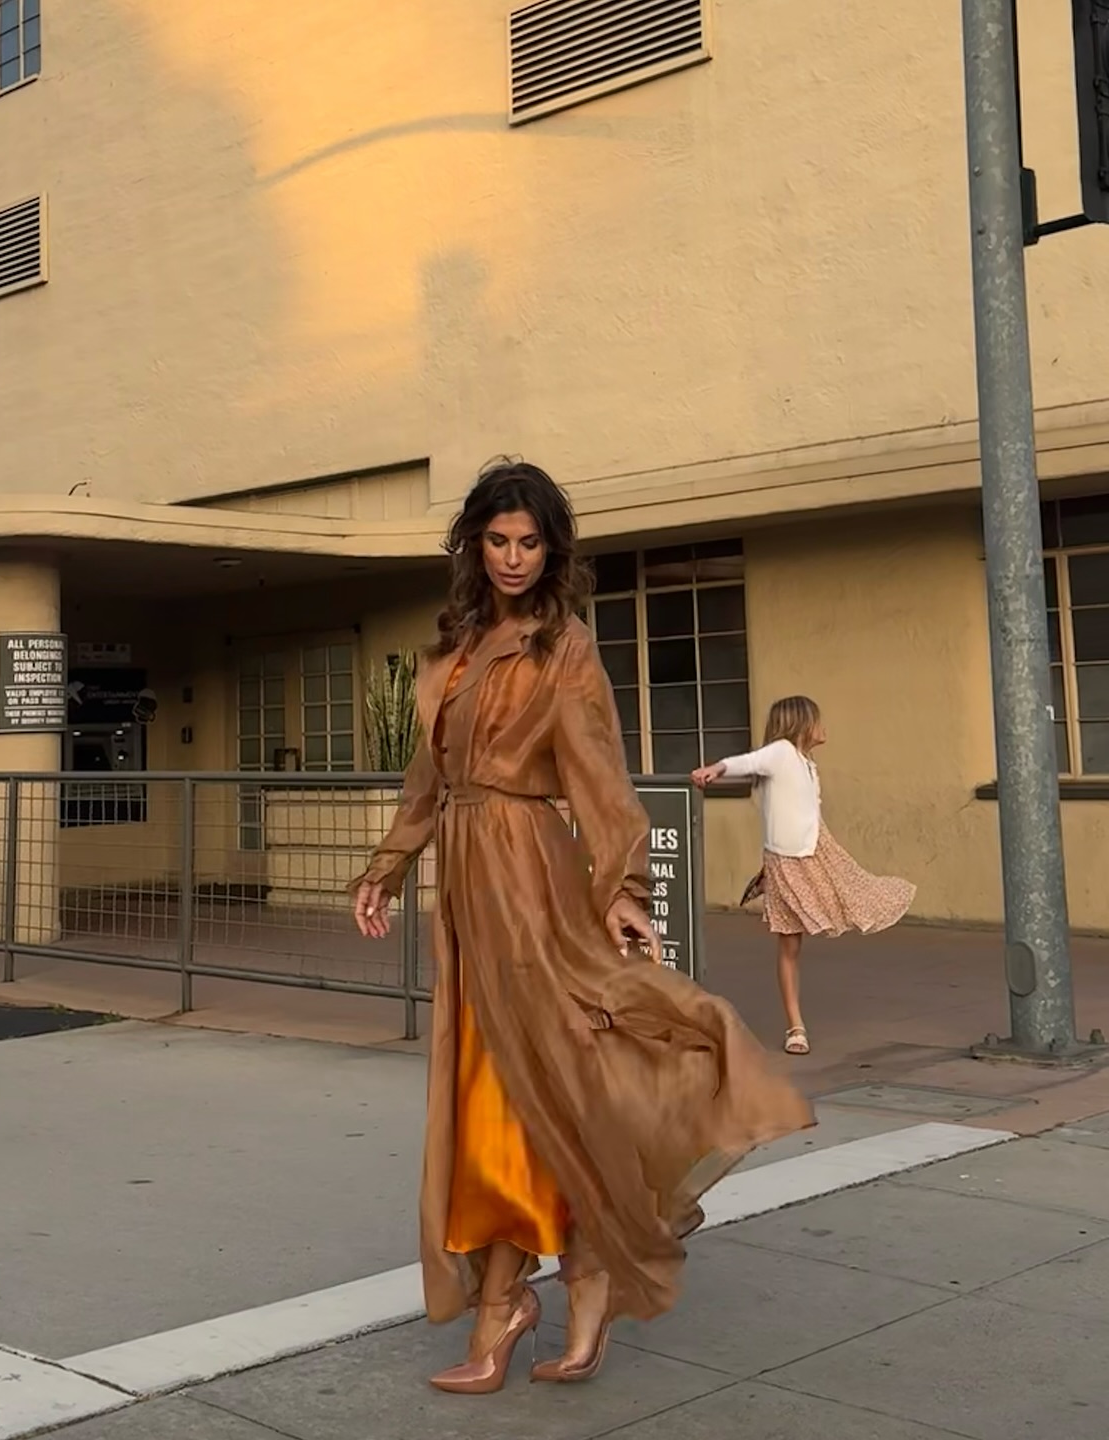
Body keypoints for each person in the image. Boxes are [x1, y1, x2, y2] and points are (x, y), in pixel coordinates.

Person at [352, 459, 813, 1395]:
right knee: (486, 1086)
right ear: (474, 546)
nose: (515, 558)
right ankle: (511, 1297)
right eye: (498, 540)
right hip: (467, 884)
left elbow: (598, 774)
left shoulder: (563, 647)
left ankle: (582, 1273)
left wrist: (621, 887)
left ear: (550, 549)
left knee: (560, 1072)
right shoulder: (452, 651)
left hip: (533, 873)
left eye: (530, 542)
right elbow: (426, 780)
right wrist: (388, 866)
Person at [692, 696, 915, 1056]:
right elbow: (747, 761)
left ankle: (798, 1022)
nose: (823, 727)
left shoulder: (807, 764)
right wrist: (714, 770)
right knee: (790, 943)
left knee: (851, 896)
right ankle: (796, 1027)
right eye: (817, 720)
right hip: (787, 858)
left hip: (815, 849)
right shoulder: (780, 752)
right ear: (800, 723)